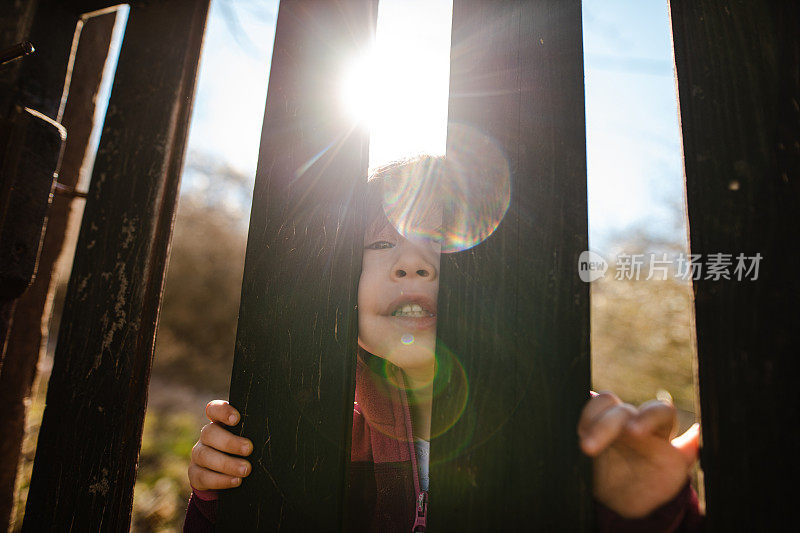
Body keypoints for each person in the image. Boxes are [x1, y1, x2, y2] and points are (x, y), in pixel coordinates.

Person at [183, 156, 704, 532]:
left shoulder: (575, 429)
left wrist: (647, 511)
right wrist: (218, 495)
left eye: (440, 241)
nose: (411, 262)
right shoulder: (306, 431)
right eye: (380, 243)